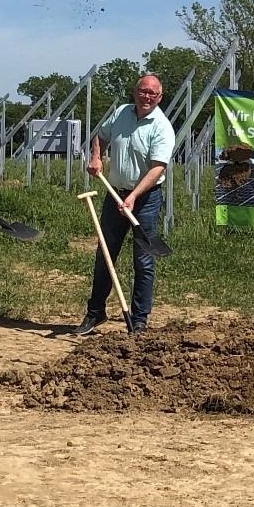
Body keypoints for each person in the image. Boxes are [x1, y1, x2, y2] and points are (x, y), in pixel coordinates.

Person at [73, 74, 175, 335]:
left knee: (143, 260)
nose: (147, 96)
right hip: (114, 194)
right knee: (105, 256)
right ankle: (95, 313)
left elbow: (157, 169)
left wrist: (133, 197)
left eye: (153, 93)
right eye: (143, 91)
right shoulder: (120, 113)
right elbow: (101, 136)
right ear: (135, 92)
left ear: (160, 97)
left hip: (146, 199)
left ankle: (139, 319)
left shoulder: (161, 127)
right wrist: (97, 157)